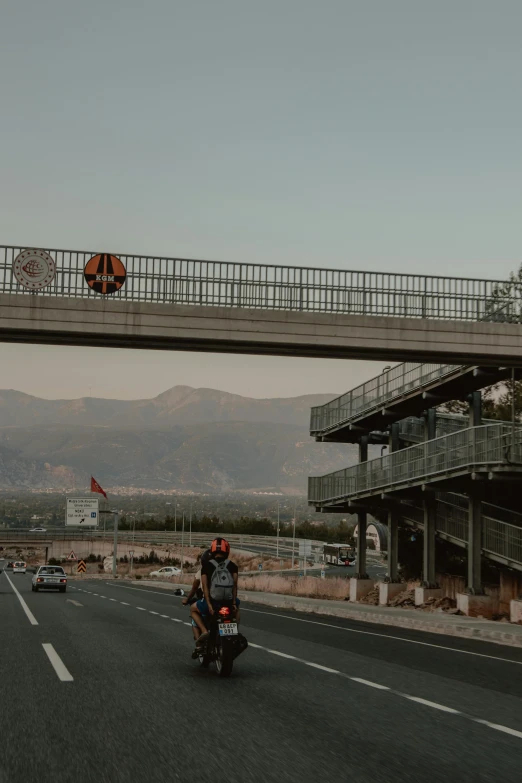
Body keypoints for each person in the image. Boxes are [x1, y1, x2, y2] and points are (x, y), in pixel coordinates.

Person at [190, 537, 240, 651]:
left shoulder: (206, 566)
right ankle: (235, 631)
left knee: (193, 609)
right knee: (238, 607)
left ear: (212, 550)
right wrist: (233, 603)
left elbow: (206, 587)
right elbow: (235, 586)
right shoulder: (233, 566)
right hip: (228, 602)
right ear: (227, 550)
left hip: (213, 603)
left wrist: (209, 605)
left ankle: (204, 631)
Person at [182, 548, 211, 642]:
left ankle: (203, 633)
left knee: (193, 611)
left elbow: (194, 588)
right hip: (227, 601)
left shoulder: (202, 571)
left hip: (209, 601)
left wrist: (187, 599)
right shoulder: (225, 568)